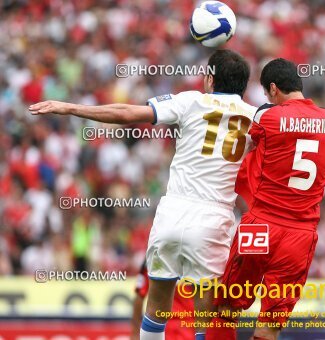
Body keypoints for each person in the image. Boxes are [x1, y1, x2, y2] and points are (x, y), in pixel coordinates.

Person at [29, 49, 256, 340]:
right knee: (206, 321)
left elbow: (126, 113)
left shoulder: (190, 101)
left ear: (210, 78)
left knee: (156, 310)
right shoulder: (255, 116)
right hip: (215, 219)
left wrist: (70, 107)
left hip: (173, 212)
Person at [208, 58, 325, 340]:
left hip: (260, 226)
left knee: (226, 308)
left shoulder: (267, 117)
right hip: (300, 235)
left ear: (273, 88)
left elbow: (242, 143)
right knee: (270, 324)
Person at [130, 261, 194, 340]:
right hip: (168, 328)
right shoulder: (153, 258)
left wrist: (135, 333)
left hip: (184, 327)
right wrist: (135, 333)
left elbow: (139, 295)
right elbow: (140, 295)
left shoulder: (156, 256)